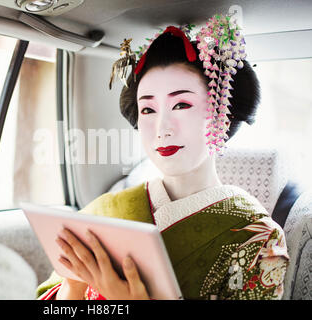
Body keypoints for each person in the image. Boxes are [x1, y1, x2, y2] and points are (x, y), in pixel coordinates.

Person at [36, 14, 289, 300]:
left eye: (181, 104)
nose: (162, 128)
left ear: (221, 114)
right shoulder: (104, 211)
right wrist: (73, 287)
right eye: (148, 110)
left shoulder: (258, 237)